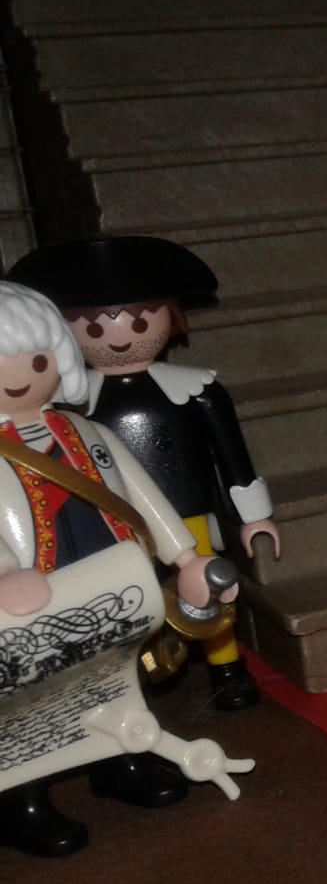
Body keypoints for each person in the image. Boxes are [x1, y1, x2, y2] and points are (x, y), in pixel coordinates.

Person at [0, 282, 235, 855]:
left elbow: (142, 496)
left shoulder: (90, 433)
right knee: (33, 691)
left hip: (112, 567)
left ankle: (123, 760)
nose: (20, 376)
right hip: (36, 588)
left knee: (120, 669)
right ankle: (21, 800)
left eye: (37, 360)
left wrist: (185, 556)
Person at [8, 236, 280, 709]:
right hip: (112, 529)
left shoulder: (195, 390)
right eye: (92, 327)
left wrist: (254, 514)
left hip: (185, 513)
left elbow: (230, 455)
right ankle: (131, 679)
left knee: (209, 593)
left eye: (138, 320)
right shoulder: (79, 408)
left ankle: (226, 665)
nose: (117, 336)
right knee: (126, 601)